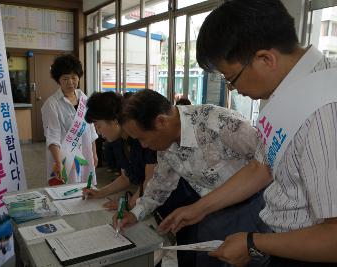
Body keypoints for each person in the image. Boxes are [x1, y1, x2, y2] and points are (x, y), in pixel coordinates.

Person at [174, 0, 337, 266]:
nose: (232, 89)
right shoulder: (290, 92)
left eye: (231, 78)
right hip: (283, 238)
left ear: (265, 59)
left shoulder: (323, 110)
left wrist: (253, 243)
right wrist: (198, 208)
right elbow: (262, 167)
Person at [114, 89, 271, 267]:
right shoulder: (165, 146)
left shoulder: (219, 123)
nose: (143, 145)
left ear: (161, 121)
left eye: (142, 138)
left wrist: (198, 209)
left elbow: (269, 163)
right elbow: (160, 185)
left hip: (253, 211)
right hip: (210, 214)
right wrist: (135, 214)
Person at [84, 91, 157, 209]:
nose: (98, 132)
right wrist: (100, 192)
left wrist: (128, 205)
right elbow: (126, 177)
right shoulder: (117, 141)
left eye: (98, 126)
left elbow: (151, 181)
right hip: (146, 200)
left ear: (114, 120)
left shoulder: (142, 139)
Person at [41, 54, 98, 186]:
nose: (70, 82)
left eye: (74, 77)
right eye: (65, 78)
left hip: (85, 153)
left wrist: (94, 153)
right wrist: (58, 161)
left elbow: (91, 129)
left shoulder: (84, 98)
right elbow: (52, 135)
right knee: (66, 190)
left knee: (85, 187)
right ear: (58, 80)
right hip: (64, 156)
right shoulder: (51, 104)